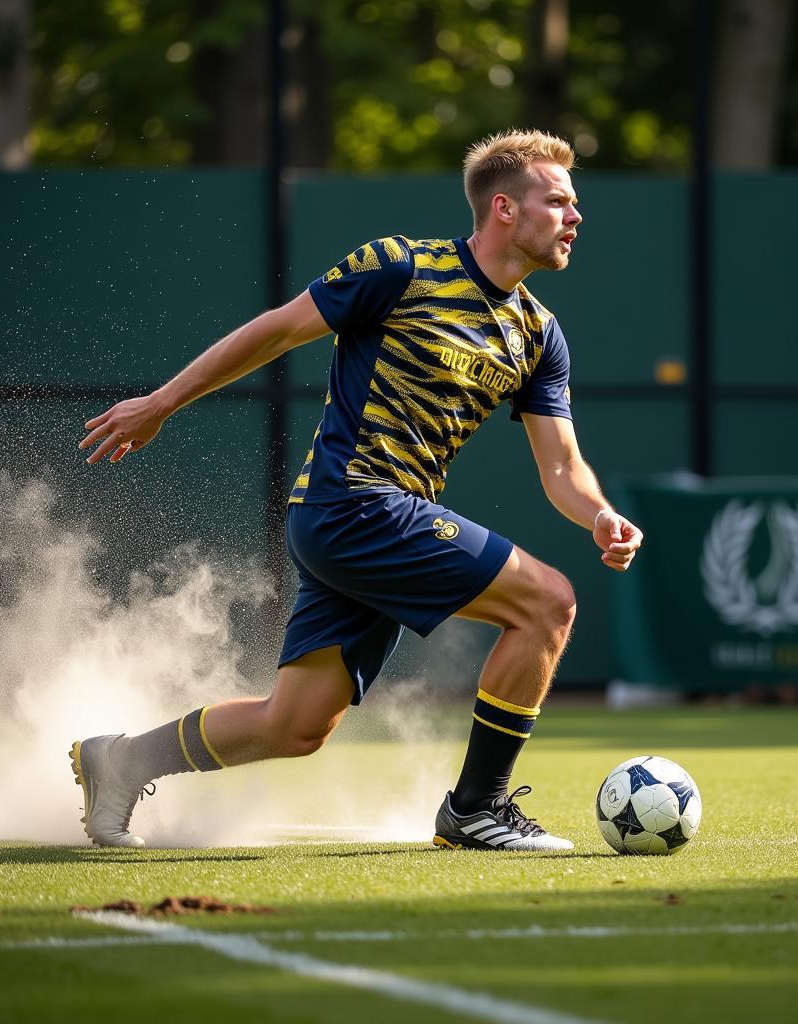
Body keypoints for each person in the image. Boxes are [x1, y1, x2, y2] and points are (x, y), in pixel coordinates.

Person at [73, 128, 643, 851]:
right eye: (558, 200)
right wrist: (161, 402)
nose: (575, 216)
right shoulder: (399, 266)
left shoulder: (538, 334)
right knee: (549, 603)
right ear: (504, 207)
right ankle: (476, 807)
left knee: (295, 726)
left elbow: (562, 466)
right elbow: (276, 332)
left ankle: (119, 762)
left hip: (378, 522)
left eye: (574, 203)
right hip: (353, 502)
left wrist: (599, 514)